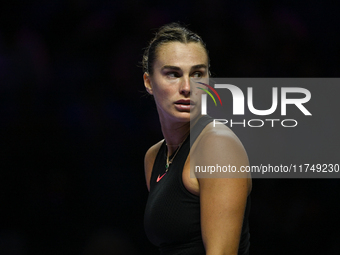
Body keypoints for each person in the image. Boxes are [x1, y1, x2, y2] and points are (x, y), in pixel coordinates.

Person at [143, 23, 251, 255]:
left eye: (197, 74)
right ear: (149, 82)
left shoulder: (218, 145)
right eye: (173, 74)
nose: (186, 87)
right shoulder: (154, 157)